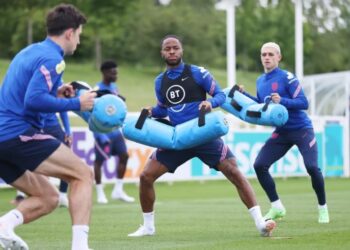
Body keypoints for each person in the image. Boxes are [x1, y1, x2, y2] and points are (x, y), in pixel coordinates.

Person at [128, 35, 276, 238]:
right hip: (177, 137)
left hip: (202, 134)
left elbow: (221, 95)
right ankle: (148, 227)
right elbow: (165, 109)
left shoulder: (198, 73)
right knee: (146, 176)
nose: (172, 52)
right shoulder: (159, 82)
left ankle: (260, 223)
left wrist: (211, 104)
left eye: (175, 48)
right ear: (162, 53)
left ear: (182, 50)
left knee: (234, 172)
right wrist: (153, 111)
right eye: (168, 49)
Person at [0, 4, 96, 250]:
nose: (78, 40)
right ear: (69, 33)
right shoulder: (54, 59)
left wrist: (57, 91)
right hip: (17, 133)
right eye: (80, 34)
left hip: (4, 138)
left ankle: (3, 226)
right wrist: (77, 103)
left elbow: (27, 92)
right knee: (83, 174)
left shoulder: (30, 51)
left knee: (49, 197)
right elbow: (32, 100)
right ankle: (80, 247)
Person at [240, 42, 329, 223]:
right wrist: (244, 95)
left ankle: (323, 209)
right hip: (282, 132)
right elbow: (260, 104)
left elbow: (304, 103)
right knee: (259, 165)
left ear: (278, 57)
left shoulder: (287, 77)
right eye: (264, 54)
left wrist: (283, 101)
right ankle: (277, 207)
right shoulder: (260, 81)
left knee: (312, 167)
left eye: (271, 54)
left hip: (302, 129)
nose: (267, 57)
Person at [93, 60, 134, 204]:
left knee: (124, 156)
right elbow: (92, 113)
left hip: (116, 131)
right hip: (102, 132)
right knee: (99, 161)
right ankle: (100, 193)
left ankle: (118, 190)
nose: (116, 75)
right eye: (113, 72)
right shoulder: (97, 90)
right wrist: (99, 134)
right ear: (104, 72)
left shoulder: (114, 87)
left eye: (116, 72)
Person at [11, 111, 72, 208]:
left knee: (30, 160)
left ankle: (23, 195)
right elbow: (63, 110)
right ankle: (62, 195)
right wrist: (68, 130)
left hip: (39, 128)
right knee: (65, 161)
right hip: (51, 127)